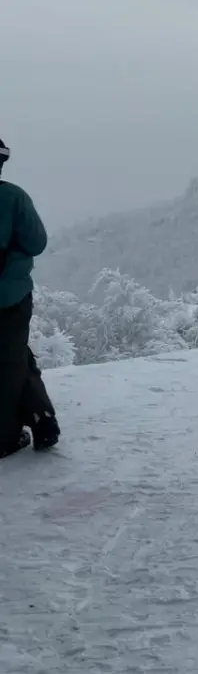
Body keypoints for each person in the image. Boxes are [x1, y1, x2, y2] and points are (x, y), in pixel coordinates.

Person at [0, 138, 58, 457]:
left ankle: (40, 416)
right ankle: (9, 435)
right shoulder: (13, 197)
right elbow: (36, 243)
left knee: (15, 356)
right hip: (10, 297)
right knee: (11, 359)